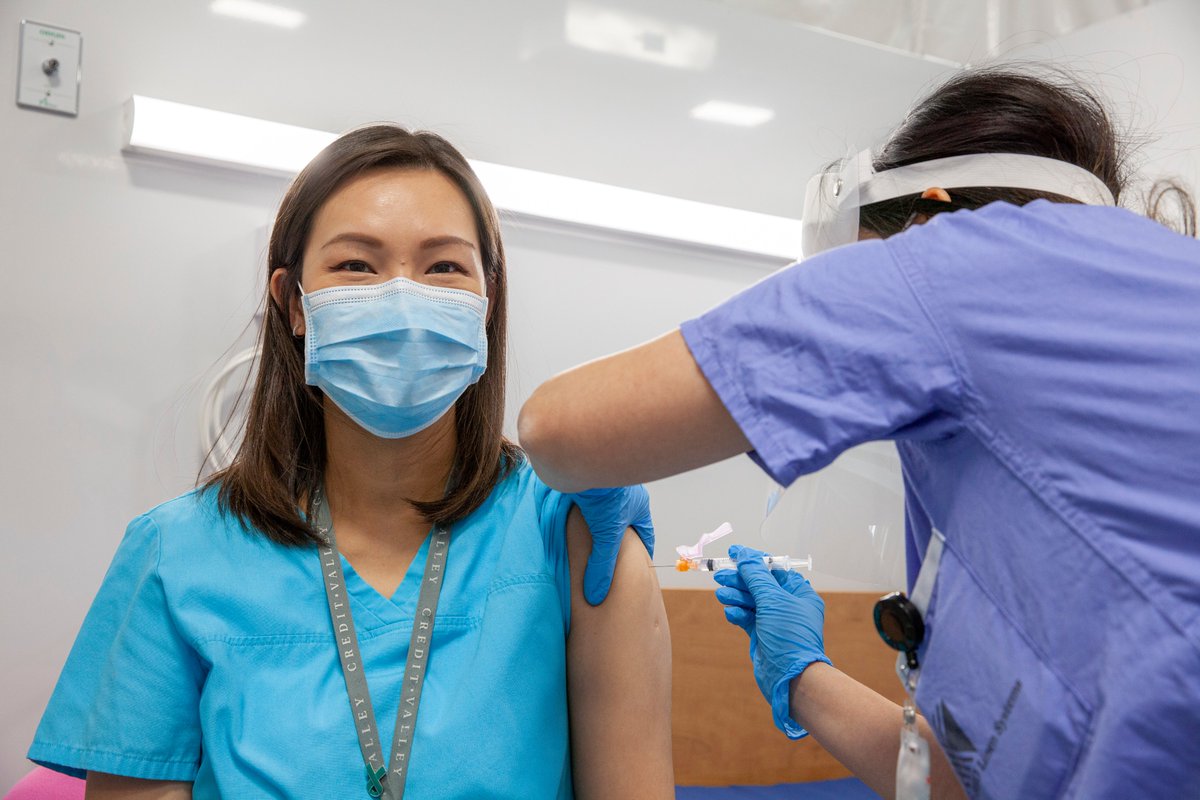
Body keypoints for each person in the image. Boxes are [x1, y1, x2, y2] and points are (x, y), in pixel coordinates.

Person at [519, 67, 1200, 798]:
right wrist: (800, 675)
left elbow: (556, 427)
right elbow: (955, 783)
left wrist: (589, 469)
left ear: (923, 216)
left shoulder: (955, 258)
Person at [27, 125, 674, 799]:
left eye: (444, 267)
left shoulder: (576, 542)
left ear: (487, 302)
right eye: (357, 266)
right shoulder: (176, 554)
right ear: (292, 304)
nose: (403, 297)